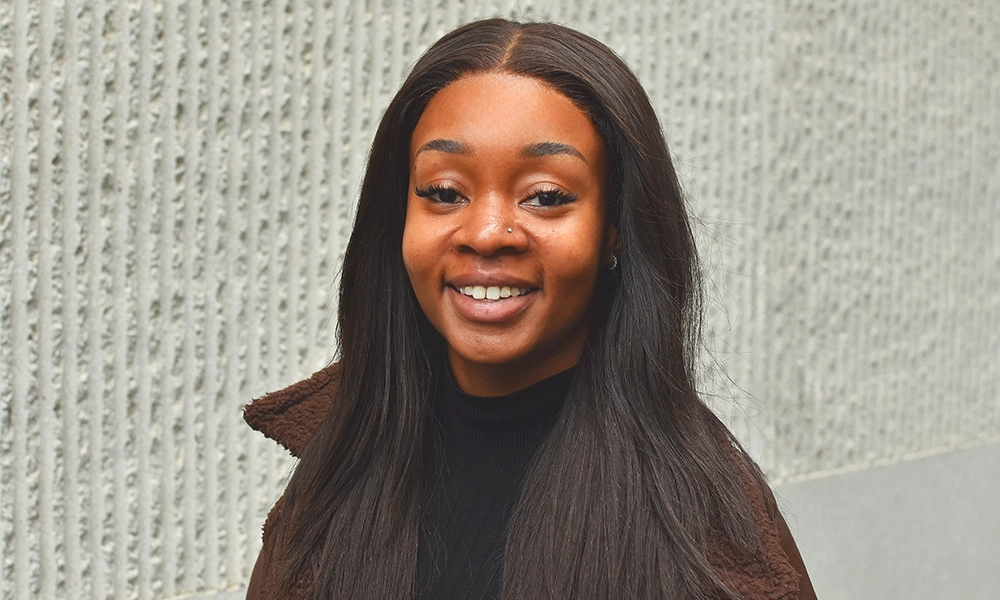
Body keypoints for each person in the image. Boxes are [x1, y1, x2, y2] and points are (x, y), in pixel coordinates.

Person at [244, 18, 816, 600]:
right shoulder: (336, 469)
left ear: (615, 227)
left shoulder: (705, 523)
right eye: (444, 193)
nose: (488, 233)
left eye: (546, 196)